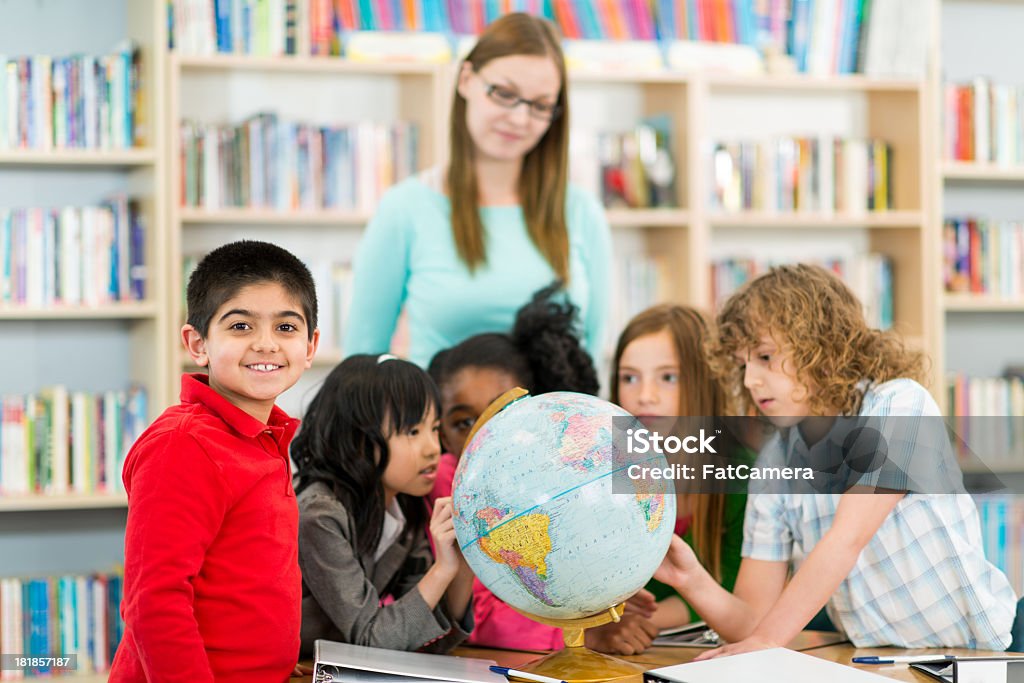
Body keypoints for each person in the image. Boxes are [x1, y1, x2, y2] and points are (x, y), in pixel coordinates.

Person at [652, 264, 1016, 658]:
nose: (750, 381)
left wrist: (766, 642)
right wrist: (691, 580)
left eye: (765, 356)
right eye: (743, 365)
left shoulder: (898, 404)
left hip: (977, 653)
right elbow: (754, 621)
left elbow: (847, 539)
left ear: (821, 346)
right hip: (877, 661)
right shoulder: (775, 462)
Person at [343, 12, 611, 368]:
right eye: (504, 94)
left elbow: (592, 356)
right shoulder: (405, 208)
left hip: (558, 422)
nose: (519, 118)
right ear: (466, 79)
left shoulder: (580, 210)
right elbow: (360, 362)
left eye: (540, 105)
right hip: (440, 420)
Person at [110, 240, 320, 683]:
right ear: (198, 343)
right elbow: (153, 602)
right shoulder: (183, 445)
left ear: (310, 345)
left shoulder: (266, 437)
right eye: (241, 326)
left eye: (286, 328)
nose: (266, 344)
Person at [425, 283, 658, 655]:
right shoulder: (447, 483)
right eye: (462, 422)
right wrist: (584, 635)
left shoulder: (559, 474)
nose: (484, 436)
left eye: (500, 416)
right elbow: (478, 609)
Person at [292, 354, 475, 657]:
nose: (433, 448)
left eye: (434, 428)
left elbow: (425, 637)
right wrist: (442, 570)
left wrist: (464, 562)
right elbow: (371, 640)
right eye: (413, 431)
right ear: (359, 439)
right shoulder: (319, 514)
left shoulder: (402, 506)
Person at [610, 304, 753, 630]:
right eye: (629, 378)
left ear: (705, 382)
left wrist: (634, 623)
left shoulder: (743, 473)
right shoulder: (597, 464)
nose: (645, 396)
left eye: (668, 377)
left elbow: (735, 588)